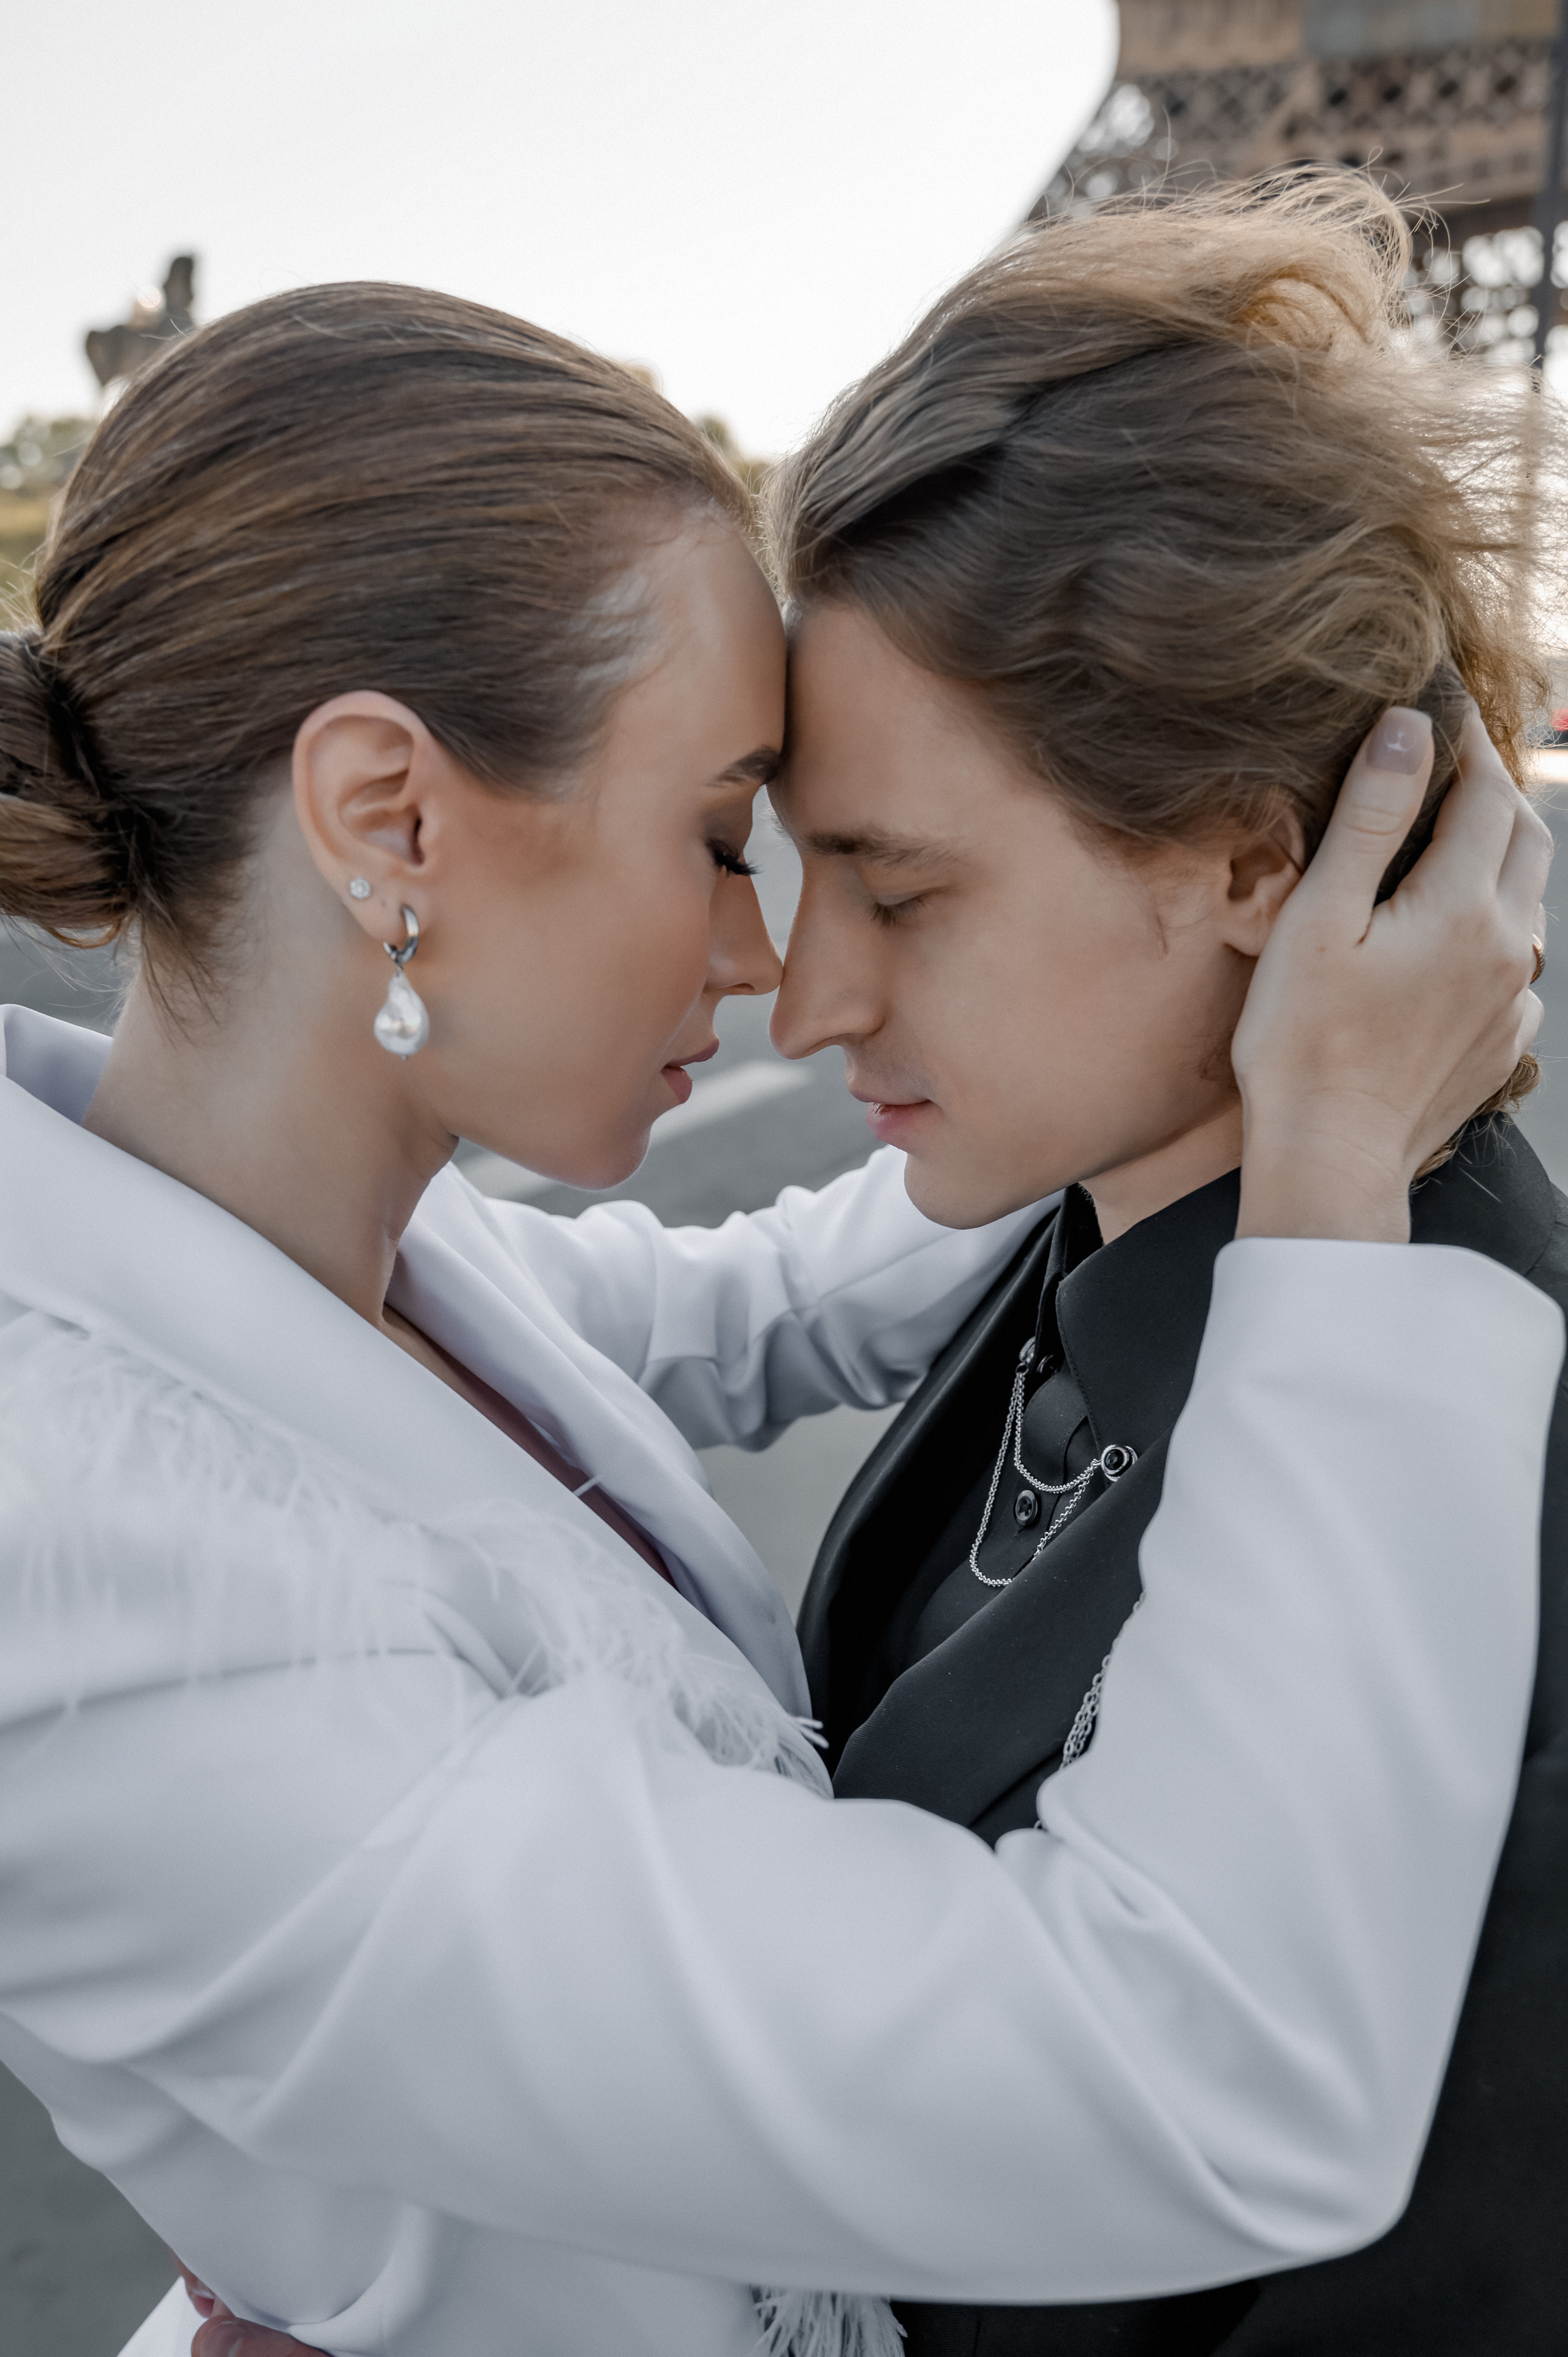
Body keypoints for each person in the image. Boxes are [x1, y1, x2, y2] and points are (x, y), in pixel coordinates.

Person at [0, 273, 1551, 2357]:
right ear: (391, 823)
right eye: (727, 836)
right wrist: (1336, 1174)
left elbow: (760, 1299)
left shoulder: (342, 1270)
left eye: (867, 880)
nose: (772, 966)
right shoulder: (91, 1586)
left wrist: (1190, 1071)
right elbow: (1166, 2079)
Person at [751, 178, 1568, 2354]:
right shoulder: (1084, 1234)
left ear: (1250, 853)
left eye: (898, 893)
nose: (802, 997)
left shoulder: (1508, 1501)